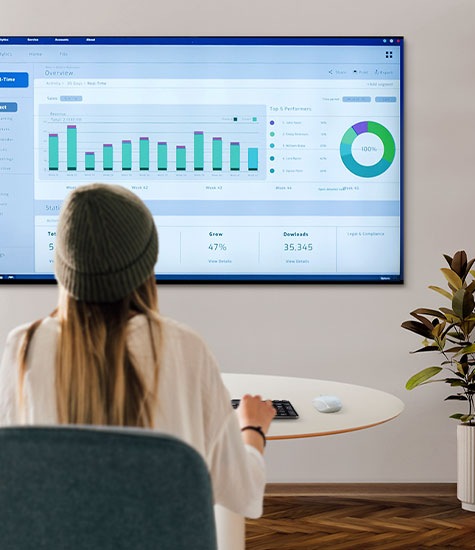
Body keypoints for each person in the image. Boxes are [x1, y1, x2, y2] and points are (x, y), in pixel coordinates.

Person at [0, 183, 275, 518]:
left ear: (64, 268)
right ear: (147, 265)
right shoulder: (184, 348)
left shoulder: (23, 347)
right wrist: (253, 428)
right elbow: (242, 492)